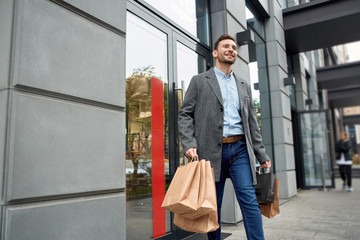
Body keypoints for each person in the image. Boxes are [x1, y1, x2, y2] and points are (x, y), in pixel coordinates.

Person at [178, 34, 271, 240]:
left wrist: (261, 154)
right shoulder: (200, 81)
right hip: (210, 151)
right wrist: (189, 143)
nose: (230, 49)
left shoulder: (244, 85)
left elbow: (251, 123)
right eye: (225, 46)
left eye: (234, 47)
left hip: (239, 149)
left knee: (249, 200)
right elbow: (185, 114)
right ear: (215, 52)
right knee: (212, 205)